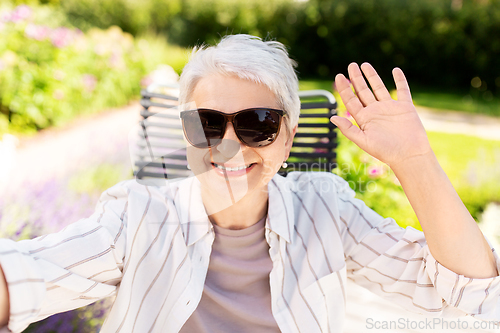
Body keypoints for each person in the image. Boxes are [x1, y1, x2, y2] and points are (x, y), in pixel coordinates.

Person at [0, 34, 499, 333]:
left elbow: (469, 290)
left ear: (288, 138)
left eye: (258, 123)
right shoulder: (138, 214)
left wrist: (414, 160)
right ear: (186, 134)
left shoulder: (326, 209)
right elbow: (33, 275)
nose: (232, 146)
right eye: (208, 124)